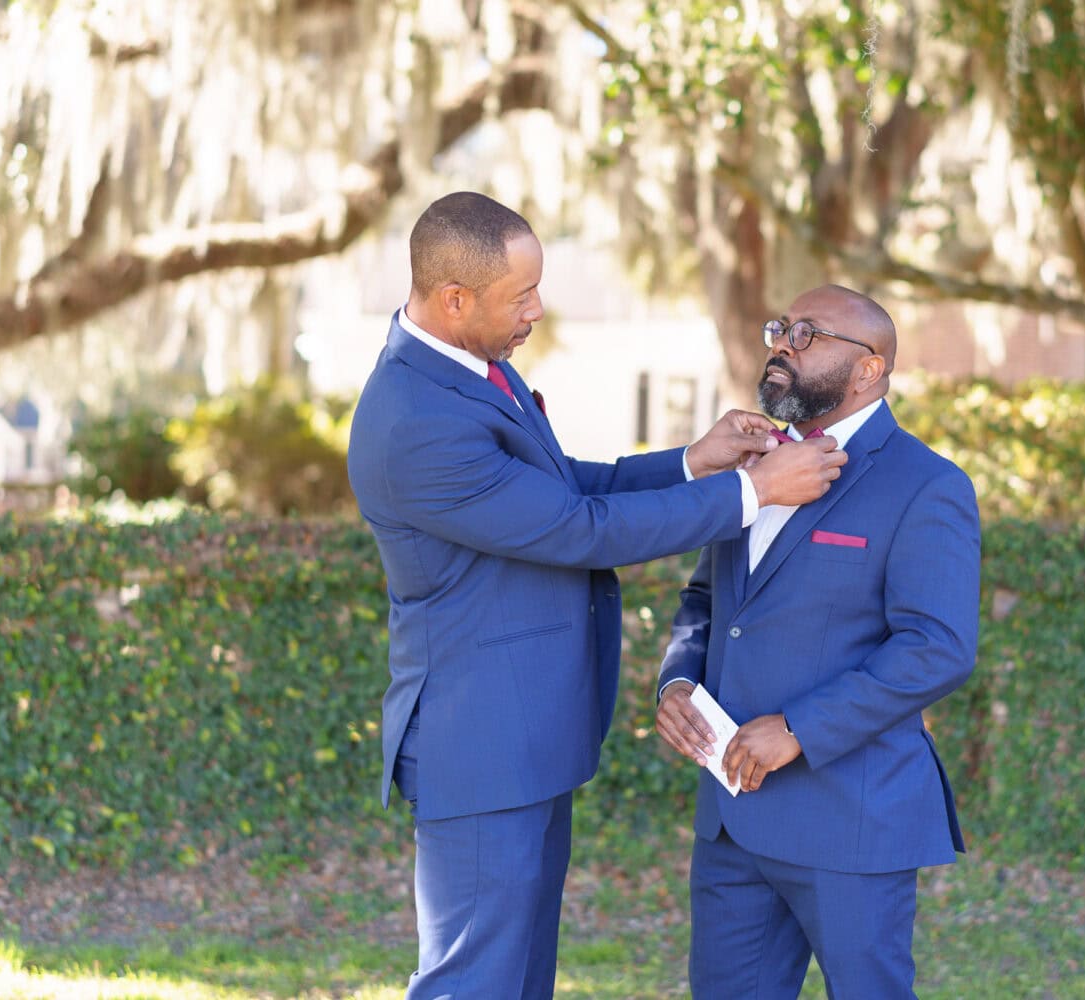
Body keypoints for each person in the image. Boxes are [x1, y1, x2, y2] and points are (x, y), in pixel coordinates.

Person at [345, 191, 847, 1000]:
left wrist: (694, 460)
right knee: (472, 982)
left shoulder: (477, 371)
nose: (538, 311)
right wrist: (755, 493)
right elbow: (578, 530)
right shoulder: (416, 419)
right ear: (454, 299)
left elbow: (565, 486)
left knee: (520, 979)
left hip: (525, 738)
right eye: (522, 296)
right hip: (479, 746)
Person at [655, 284, 981, 999]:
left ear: (870, 369)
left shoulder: (927, 486)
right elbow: (707, 601)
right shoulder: (756, 468)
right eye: (781, 328)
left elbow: (938, 646)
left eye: (808, 334)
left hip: (851, 822)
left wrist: (800, 729)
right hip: (732, 823)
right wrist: (678, 681)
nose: (782, 344)